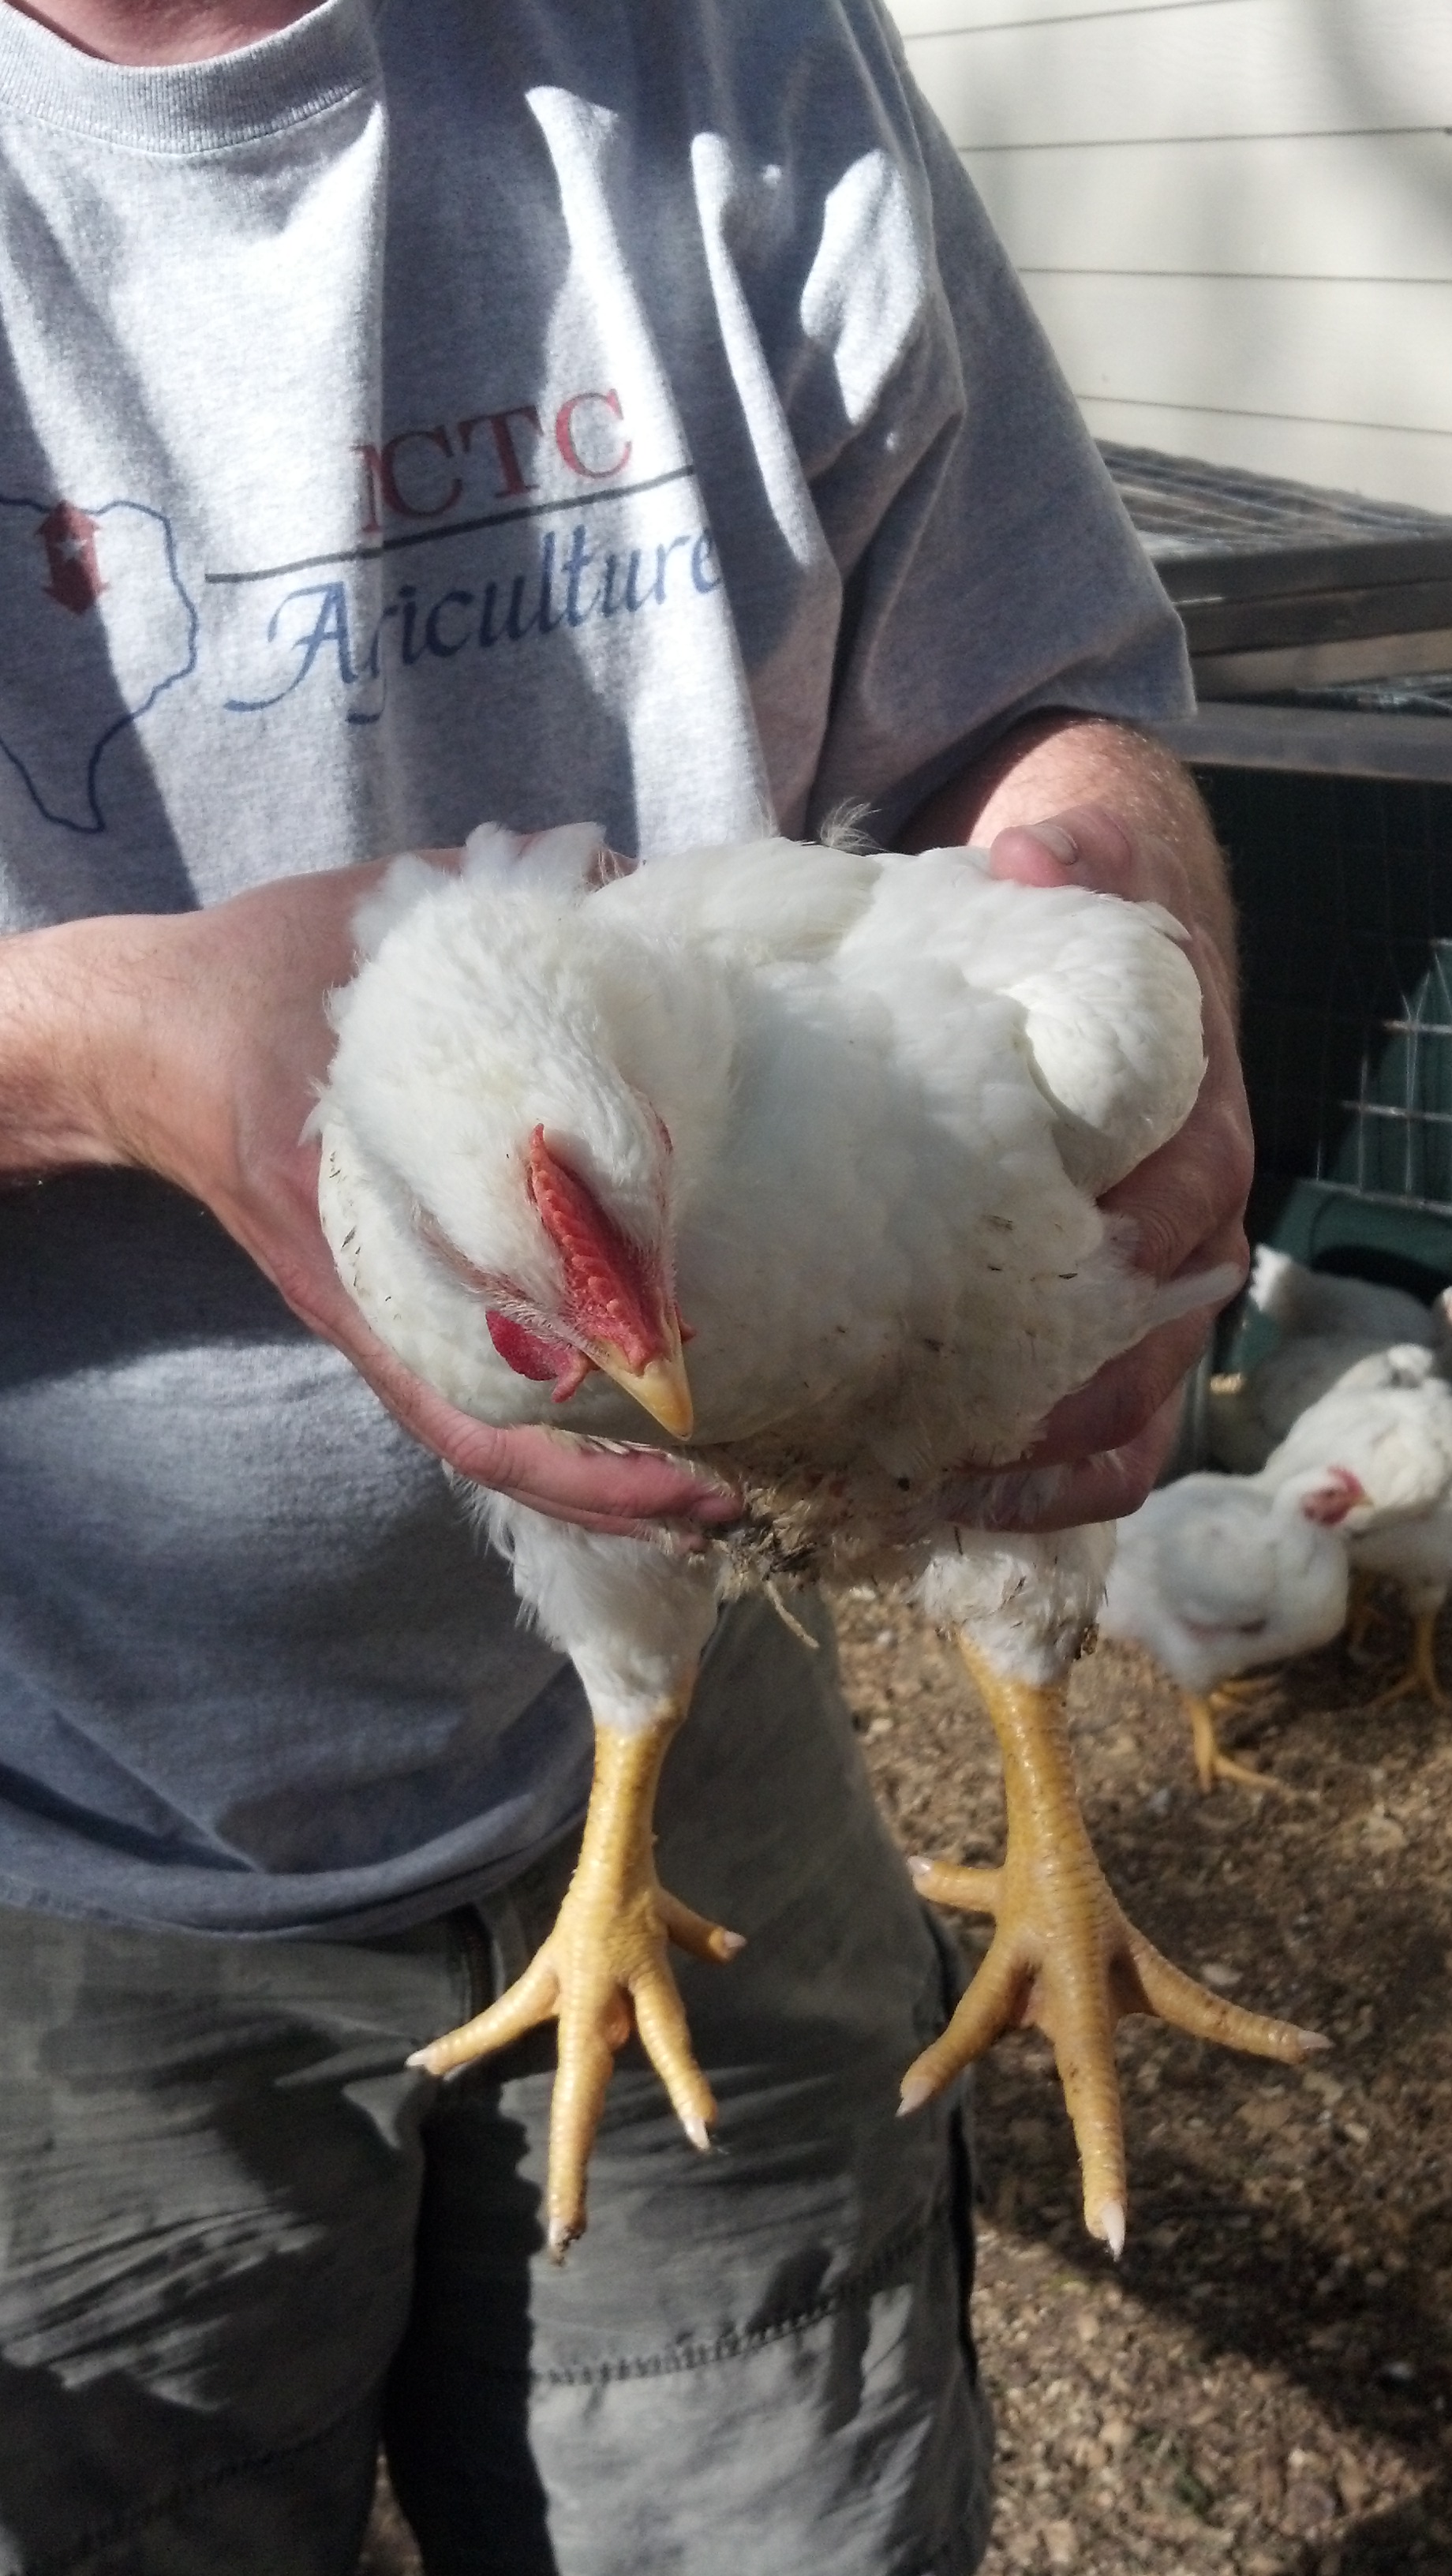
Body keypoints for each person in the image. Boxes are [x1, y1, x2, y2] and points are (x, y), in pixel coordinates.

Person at [0, 0, 1252, 2566]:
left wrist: (1114, 935)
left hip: (718, 1745)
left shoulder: (733, 40)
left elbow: (1041, 710)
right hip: (70, 1839)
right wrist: (111, 1053)